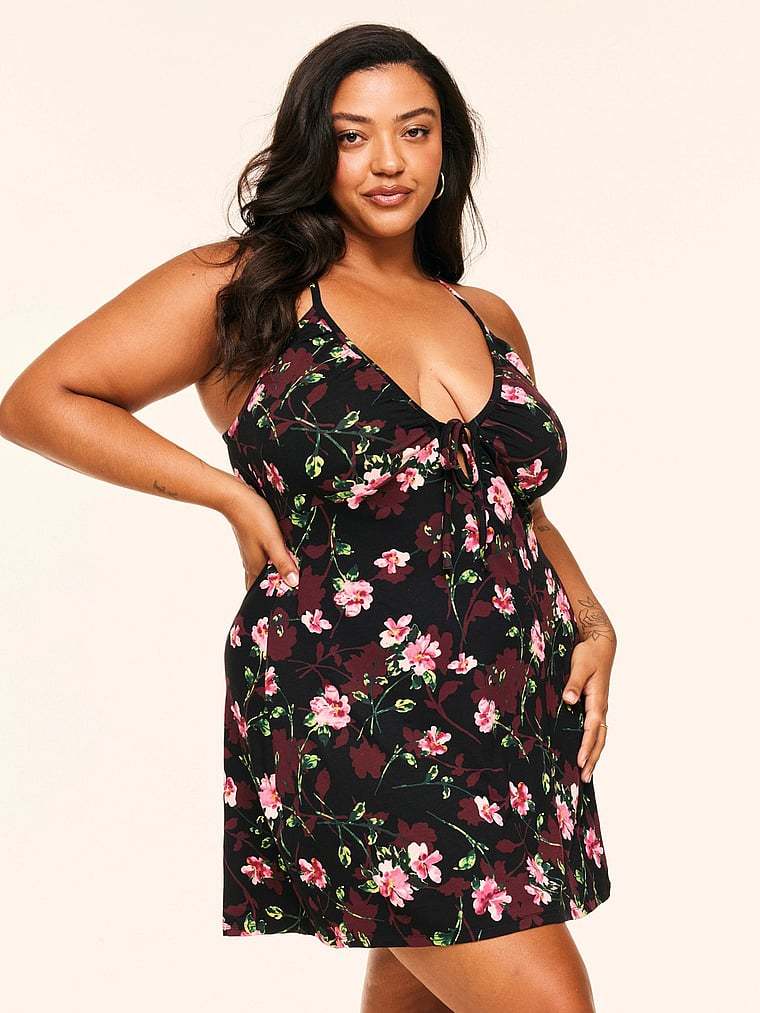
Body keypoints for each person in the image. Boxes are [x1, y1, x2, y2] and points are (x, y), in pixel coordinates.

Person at [0, 23, 616, 1013]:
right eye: (352, 135)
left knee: (422, 986)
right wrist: (228, 491)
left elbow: (509, 501)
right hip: (357, 708)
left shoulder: (486, 316)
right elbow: (41, 399)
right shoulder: (247, 285)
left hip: (506, 707)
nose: (387, 160)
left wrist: (589, 615)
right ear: (312, 148)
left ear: (447, 149)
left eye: (414, 130)